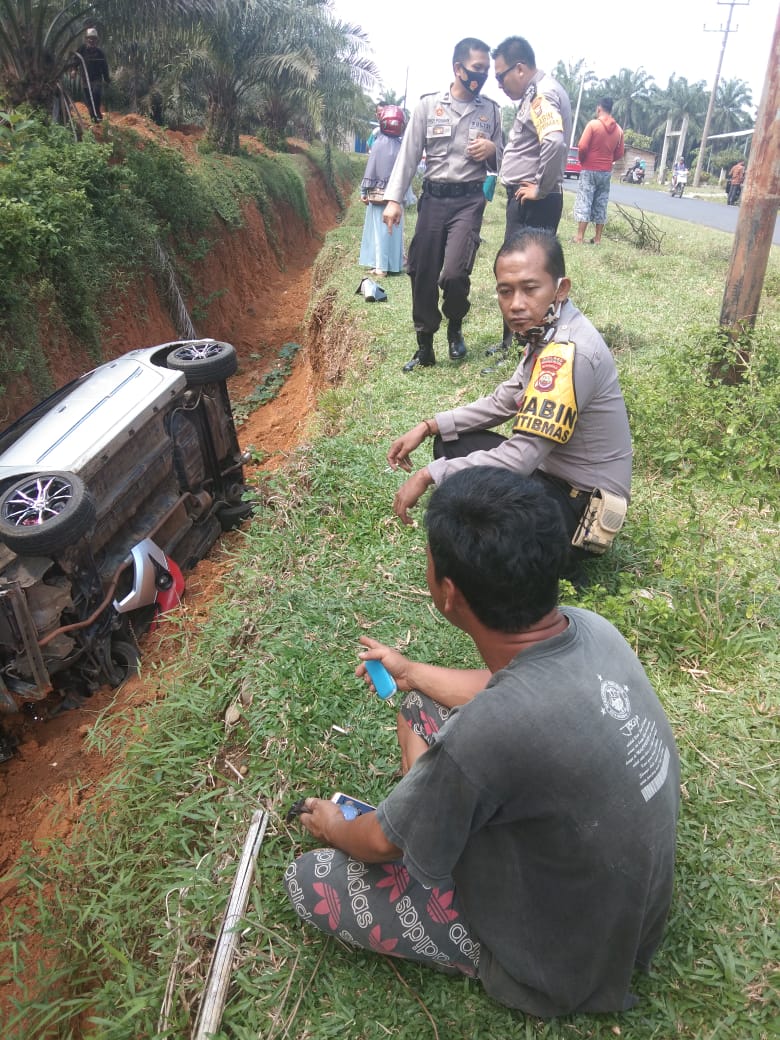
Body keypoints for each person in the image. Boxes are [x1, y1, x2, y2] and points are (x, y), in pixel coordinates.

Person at [285, 466, 680, 1018]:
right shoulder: (592, 628)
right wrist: (412, 671)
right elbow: (501, 686)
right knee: (420, 708)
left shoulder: (488, 736)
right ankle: (432, 810)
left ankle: (443, 854)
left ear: (449, 593)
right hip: (624, 911)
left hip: (564, 963)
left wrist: (332, 825)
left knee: (309, 882)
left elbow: (378, 844)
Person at [386, 228, 632, 561]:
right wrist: (429, 426)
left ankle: (545, 560)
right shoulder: (546, 332)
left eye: (530, 289)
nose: (516, 305)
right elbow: (505, 400)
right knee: (450, 443)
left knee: (458, 479)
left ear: (561, 289)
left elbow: (521, 457)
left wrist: (430, 474)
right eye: (506, 291)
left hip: (578, 513)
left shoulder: (569, 353)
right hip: (552, 479)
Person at [381, 39, 503, 372]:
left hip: (468, 201)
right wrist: (394, 200)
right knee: (421, 270)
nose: (481, 76)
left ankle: (454, 327)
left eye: (486, 70)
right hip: (433, 200)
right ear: (458, 69)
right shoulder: (428, 106)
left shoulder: (491, 111)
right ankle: (425, 346)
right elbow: (407, 155)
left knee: (453, 273)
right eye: (476, 69)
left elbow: (505, 159)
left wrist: (492, 148)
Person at [488, 37, 571, 359]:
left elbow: (554, 143)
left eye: (500, 76)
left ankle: (528, 348)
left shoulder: (541, 95)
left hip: (534, 202)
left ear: (519, 68)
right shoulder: (535, 93)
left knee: (526, 276)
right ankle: (515, 344)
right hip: (528, 199)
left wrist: (541, 187)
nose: (499, 84)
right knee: (520, 274)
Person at [359, 106, 407, 278]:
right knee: (394, 232)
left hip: (379, 197)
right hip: (396, 199)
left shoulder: (379, 143)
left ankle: (380, 267)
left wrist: (363, 190)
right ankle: (393, 265)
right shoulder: (402, 146)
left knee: (379, 233)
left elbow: (370, 170)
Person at [572, 97, 624, 245]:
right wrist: (608, 159)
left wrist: (583, 160)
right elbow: (620, 152)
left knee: (584, 200)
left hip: (589, 168)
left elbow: (582, 146)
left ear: (599, 109)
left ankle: (580, 237)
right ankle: (598, 238)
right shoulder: (619, 130)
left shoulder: (593, 125)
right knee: (601, 203)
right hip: (606, 171)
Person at [72, 27, 110, 122]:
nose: (91, 40)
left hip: (96, 79)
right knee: (89, 100)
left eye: (93, 38)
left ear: (96, 40)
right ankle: (93, 118)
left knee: (96, 94)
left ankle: (98, 114)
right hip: (85, 79)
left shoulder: (100, 53)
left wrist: (107, 78)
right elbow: (75, 59)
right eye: (90, 38)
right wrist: (74, 70)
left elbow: (104, 66)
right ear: (86, 39)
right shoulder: (81, 49)